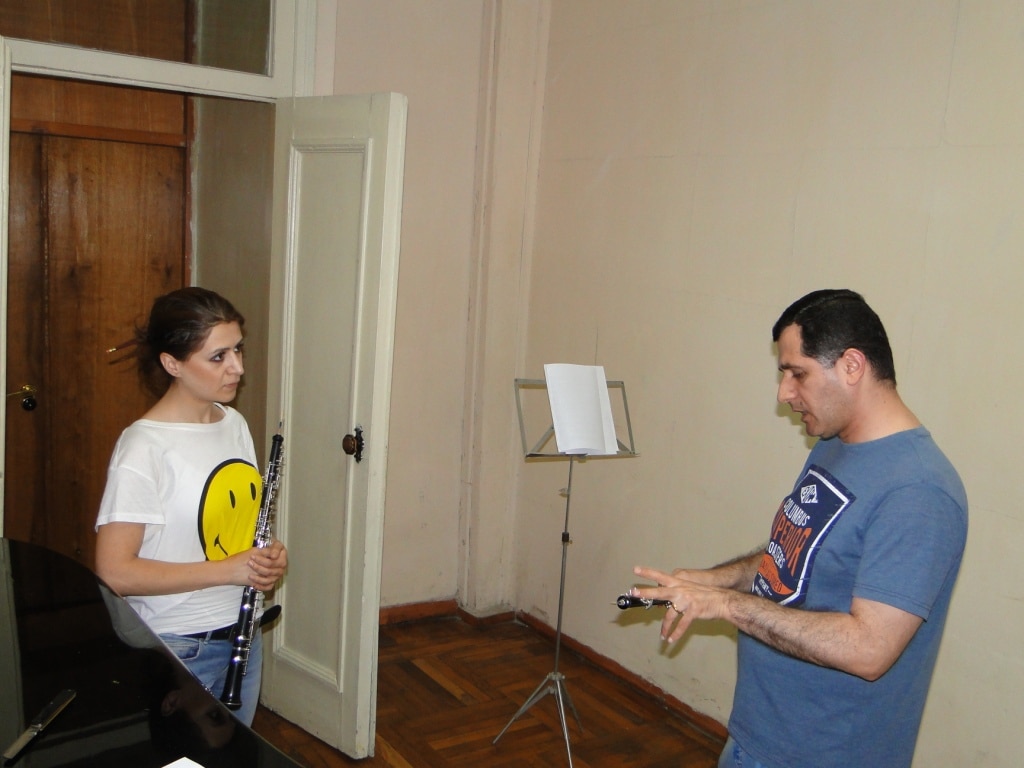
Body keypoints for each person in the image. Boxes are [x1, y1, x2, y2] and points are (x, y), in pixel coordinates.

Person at [631, 289, 967, 768]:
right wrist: (713, 581)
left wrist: (727, 605)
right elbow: (795, 559)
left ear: (852, 366)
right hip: (759, 736)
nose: (784, 393)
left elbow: (869, 649)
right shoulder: (834, 443)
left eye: (797, 374)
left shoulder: (919, 491)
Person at [95, 287, 288, 727]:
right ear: (172, 364)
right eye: (218, 357)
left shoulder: (233, 424)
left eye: (238, 349)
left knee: (234, 755)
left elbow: (229, 529)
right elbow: (115, 572)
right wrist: (228, 571)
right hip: (183, 647)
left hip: (244, 632)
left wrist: (268, 556)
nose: (237, 367)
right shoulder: (143, 447)